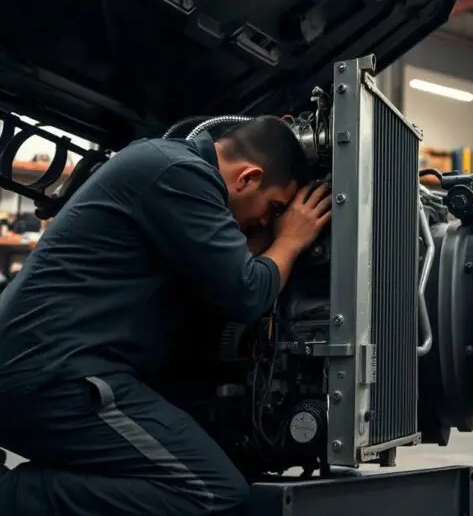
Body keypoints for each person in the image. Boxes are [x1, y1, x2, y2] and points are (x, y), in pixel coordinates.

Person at [0, 115, 331, 516]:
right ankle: (13, 499)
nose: (267, 221)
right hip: (55, 373)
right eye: (273, 208)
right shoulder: (179, 174)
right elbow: (247, 292)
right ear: (247, 178)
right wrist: (291, 240)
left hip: (55, 368)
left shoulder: (167, 165)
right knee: (214, 494)